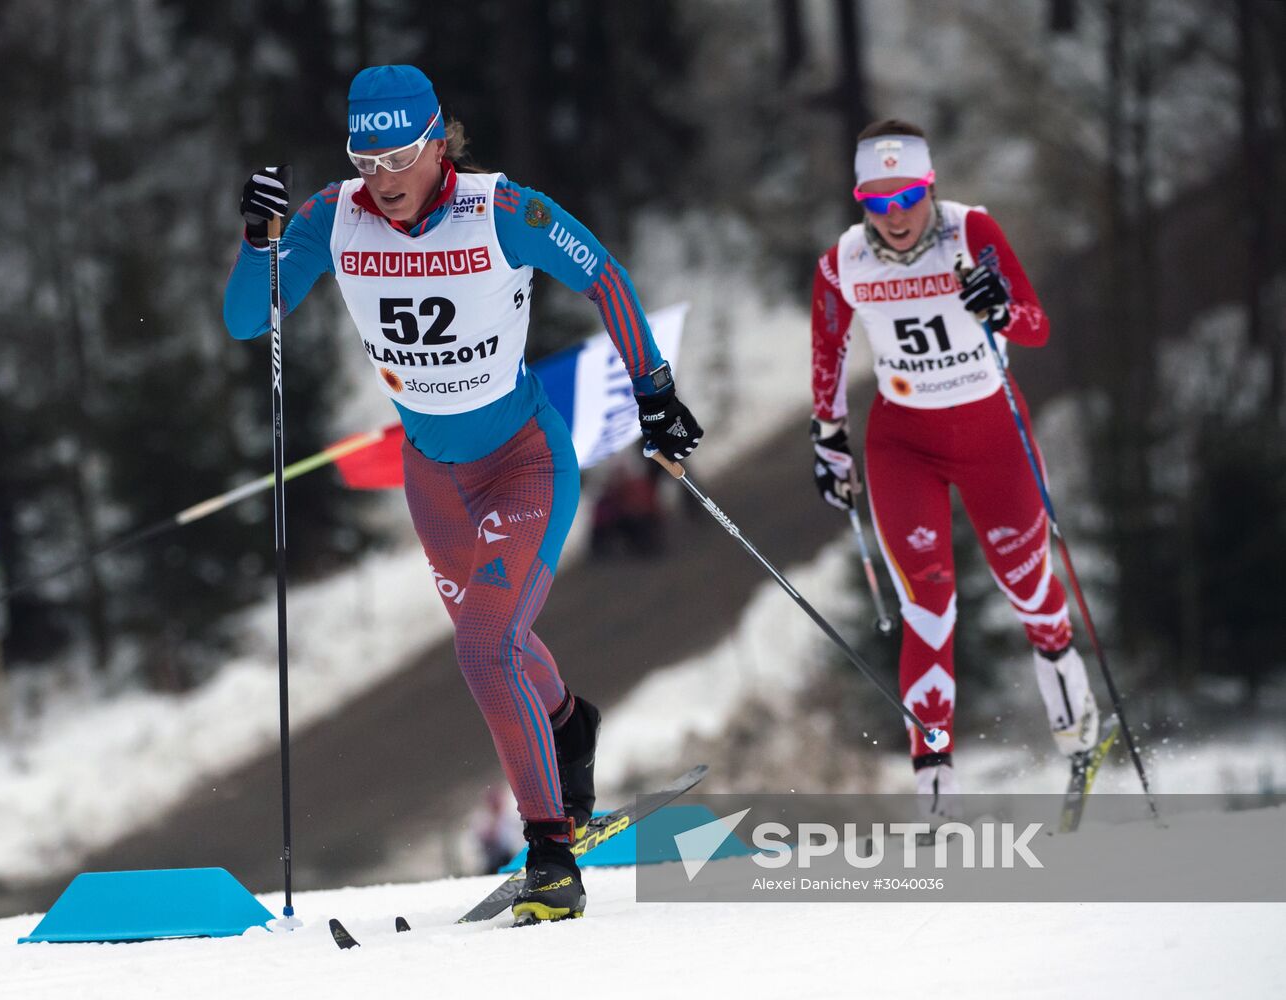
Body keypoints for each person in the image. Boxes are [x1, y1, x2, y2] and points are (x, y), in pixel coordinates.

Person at [223, 66, 702, 922]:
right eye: (365, 158)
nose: (384, 177)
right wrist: (260, 242)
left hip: (524, 461)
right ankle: (568, 726)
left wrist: (655, 392)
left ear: (439, 140)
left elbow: (609, 279)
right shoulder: (331, 217)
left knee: (485, 648)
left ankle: (551, 850)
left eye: (401, 154)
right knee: (501, 642)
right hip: (431, 476)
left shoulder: (502, 211)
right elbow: (246, 319)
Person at [808, 119, 1098, 812]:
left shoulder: (973, 233)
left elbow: (1036, 324)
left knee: (1032, 594)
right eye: (876, 202)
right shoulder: (841, 262)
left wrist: (1000, 308)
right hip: (903, 442)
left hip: (993, 433)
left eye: (906, 196)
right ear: (859, 202)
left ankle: (1081, 733)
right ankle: (936, 795)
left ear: (928, 186)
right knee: (928, 609)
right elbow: (828, 351)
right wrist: (828, 436)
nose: (894, 215)